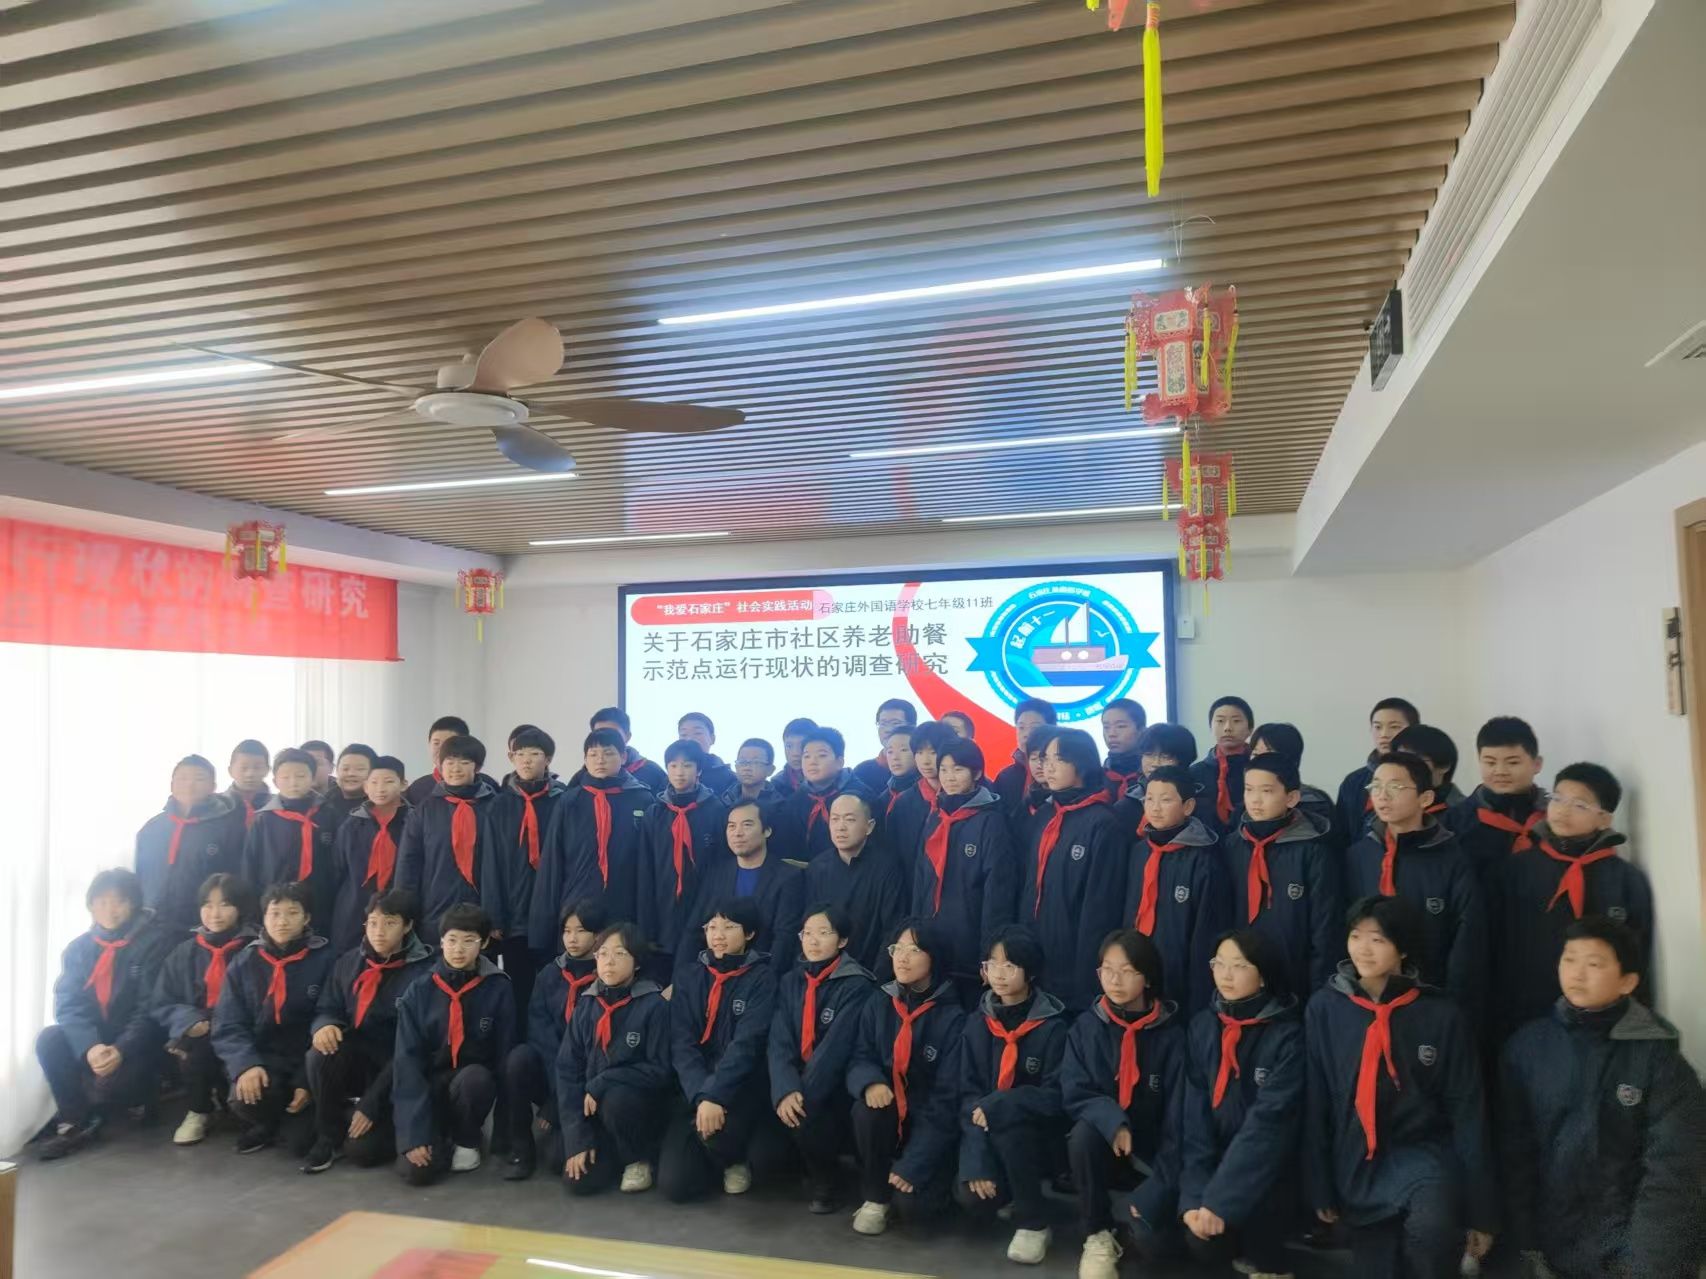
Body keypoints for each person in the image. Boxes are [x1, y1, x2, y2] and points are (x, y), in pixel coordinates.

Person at [1499, 916, 1705, 1279]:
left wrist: (1645, 1266)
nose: (1577, 973)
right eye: (1569, 959)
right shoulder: (1527, 1049)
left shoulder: (1660, 1060)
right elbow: (1516, 1156)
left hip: (1635, 1252)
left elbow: (1674, 1172)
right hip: (1552, 1248)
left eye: (1594, 964)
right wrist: (1527, 1246)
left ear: (1628, 981)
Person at [1305, 896, 1496, 1279]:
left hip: (1424, 1156)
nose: (1363, 948)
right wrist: (1319, 1185)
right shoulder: (1325, 1008)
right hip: (1356, 1164)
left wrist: (1482, 1212)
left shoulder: (1441, 1014)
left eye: (1378, 939)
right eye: (1356, 936)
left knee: (1432, 1234)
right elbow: (1317, 1103)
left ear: (1403, 947)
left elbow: (1467, 1112)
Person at [1488, 763, 1655, 1043]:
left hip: (1602, 1020)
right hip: (1524, 1010)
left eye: (1579, 805)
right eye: (1557, 799)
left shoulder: (1626, 879)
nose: (1562, 810)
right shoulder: (1515, 870)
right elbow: (1494, 942)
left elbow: (1639, 956)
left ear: (1604, 819)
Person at [1178, 929, 1305, 1279]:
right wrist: (1196, 1197)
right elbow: (1194, 1120)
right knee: (1190, 1240)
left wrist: (1219, 1199)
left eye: (1239, 965)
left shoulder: (1288, 1035)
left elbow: (1269, 1126)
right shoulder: (1203, 1026)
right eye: (1219, 964)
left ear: (1263, 975)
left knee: (1262, 1218)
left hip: (1269, 1166)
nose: (1226, 975)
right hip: (1217, 1160)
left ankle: (1267, 1260)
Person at [1062, 928, 1187, 1278]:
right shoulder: (1086, 1027)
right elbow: (1074, 1090)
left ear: (1148, 977)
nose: (1115, 981)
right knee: (1084, 1134)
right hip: (1105, 1145)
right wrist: (1112, 1121)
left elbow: (1180, 1117)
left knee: (1155, 1248)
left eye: (1127, 971)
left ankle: (1141, 1219)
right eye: (1107, 970)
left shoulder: (1173, 1036)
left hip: (1155, 1152)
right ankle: (1097, 1234)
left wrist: (1159, 1188)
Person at [33, 868, 174, 1160]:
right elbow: (68, 1003)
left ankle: (142, 1097)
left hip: (136, 1040)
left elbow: (150, 1007)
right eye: (102, 902)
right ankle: (76, 1119)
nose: (110, 910)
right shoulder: (79, 948)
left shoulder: (154, 943)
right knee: (49, 1039)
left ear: (133, 904)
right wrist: (90, 1046)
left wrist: (120, 1050)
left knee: (115, 1088)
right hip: (97, 1038)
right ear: (90, 905)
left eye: (119, 901)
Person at [954, 926, 1071, 1266]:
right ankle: (1009, 1191)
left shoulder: (1054, 1027)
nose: (999, 974)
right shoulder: (977, 1024)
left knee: (1009, 1122)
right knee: (972, 1199)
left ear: (1030, 972)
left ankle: (1033, 1223)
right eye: (992, 964)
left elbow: (1057, 1097)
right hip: (983, 1135)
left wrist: (1005, 1102)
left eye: (1010, 966)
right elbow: (966, 1095)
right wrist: (977, 1162)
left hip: (1039, 1138)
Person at [1344, 752, 1487, 1024]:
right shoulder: (1359, 855)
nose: (1382, 796)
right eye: (1376, 786)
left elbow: (1467, 939)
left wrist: (1454, 1003)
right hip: (1367, 997)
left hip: (1431, 997)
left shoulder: (1452, 859)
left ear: (1425, 798)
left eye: (1395, 787)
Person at [846, 918, 966, 1235]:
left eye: (913, 950)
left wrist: (916, 1162)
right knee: (866, 1109)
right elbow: (860, 1055)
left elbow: (947, 1100)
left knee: (914, 1212)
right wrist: (870, 1081)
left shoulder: (953, 1017)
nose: (902, 958)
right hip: (889, 1118)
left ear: (934, 957)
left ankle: (933, 1179)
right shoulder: (879, 1002)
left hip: (929, 1127)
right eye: (897, 949)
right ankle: (874, 1196)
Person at [302, 888, 433, 1173]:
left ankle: (383, 1121)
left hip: (400, 1067)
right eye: (372, 922)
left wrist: (372, 1103)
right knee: (319, 1053)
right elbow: (328, 1006)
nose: (378, 931)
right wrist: (325, 1025)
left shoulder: (425, 973)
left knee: (362, 1152)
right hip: (359, 1058)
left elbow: (415, 1048)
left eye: (389, 923)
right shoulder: (350, 962)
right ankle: (328, 1136)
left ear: (408, 926)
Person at [658, 898, 778, 1202]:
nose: (718, 935)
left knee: (760, 1156)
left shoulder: (763, 978)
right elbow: (681, 1043)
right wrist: (702, 1095)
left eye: (729, 927)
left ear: (749, 933)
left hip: (741, 1088)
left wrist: (716, 1094)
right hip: (694, 1088)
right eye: (711, 927)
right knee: (675, 1187)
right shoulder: (688, 976)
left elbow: (746, 1045)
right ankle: (715, 1158)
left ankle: (734, 1157)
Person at [766, 903, 877, 1213]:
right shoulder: (791, 981)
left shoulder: (857, 984)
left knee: (808, 1114)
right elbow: (779, 1041)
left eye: (824, 933)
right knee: (767, 1155)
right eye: (807, 933)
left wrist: (801, 1095)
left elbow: (835, 1051)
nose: (813, 941)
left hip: (836, 1085)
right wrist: (785, 1089)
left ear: (842, 940)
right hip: (797, 1080)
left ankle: (827, 1181)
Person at [212, 880, 336, 1155]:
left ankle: (297, 1116)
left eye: (292, 913)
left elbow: (329, 1012)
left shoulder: (326, 960)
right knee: (243, 1099)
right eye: (274, 913)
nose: (282, 921)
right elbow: (228, 1023)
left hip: (306, 1059)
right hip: (263, 1057)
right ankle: (268, 1123)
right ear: (264, 917)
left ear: (307, 918)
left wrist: (306, 1081)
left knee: (298, 1145)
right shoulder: (244, 962)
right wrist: (246, 1065)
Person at [393, 903, 512, 1182]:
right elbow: (407, 1062)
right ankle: (434, 1135)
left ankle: (467, 1138)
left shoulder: (498, 987)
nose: (459, 949)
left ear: (484, 943)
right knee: (417, 1173)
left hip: (471, 1088)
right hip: (428, 1091)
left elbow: (505, 1056)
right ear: (441, 941)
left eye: (469, 941)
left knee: (476, 1078)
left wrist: (504, 1135)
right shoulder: (420, 989)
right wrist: (415, 1135)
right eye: (452, 940)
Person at [557, 920, 673, 1196]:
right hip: (595, 1113)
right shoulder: (587, 1004)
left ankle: (638, 1159)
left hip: (637, 1109)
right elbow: (567, 1070)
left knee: (618, 1099)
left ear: (637, 962)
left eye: (620, 954)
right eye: (603, 954)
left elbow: (661, 1071)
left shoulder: (653, 1005)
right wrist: (577, 1138)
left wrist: (604, 1081)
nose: (609, 962)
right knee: (573, 1178)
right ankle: (609, 1152)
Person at [1020, 726, 1127, 1012]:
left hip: (1075, 960)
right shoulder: (1044, 814)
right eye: (1045, 759)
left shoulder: (1103, 822)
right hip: (1035, 952)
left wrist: (1087, 972)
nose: (1048, 767)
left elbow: (1101, 906)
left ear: (1081, 763)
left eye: (1059, 759)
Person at [501, 898, 606, 1181]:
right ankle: (521, 1148)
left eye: (581, 931)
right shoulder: (549, 975)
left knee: (557, 1161)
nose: (572, 938)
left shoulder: (607, 975)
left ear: (598, 935)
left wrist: (560, 1101)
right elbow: (541, 1035)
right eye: (567, 931)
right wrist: (555, 1096)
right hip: (552, 1075)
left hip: (589, 1083)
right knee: (519, 1059)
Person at [1223, 753, 1342, 998]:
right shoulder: (1233, 845)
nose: (1255, 800)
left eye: (1266, 791)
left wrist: (1319, 992)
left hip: (1294, 974)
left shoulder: (1313, 850)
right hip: (1239, 975)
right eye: (1248, 789)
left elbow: (1324, 928)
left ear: (1291, 797)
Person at [152, 873, 258, 1147]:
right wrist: (188, 1021)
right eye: (208, 905)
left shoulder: (256, 949)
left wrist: (223, 1023)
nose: (215, 913)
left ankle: (231, 1102)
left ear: (241, 907)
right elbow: (162, 1000)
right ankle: (198, 1110)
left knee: (247, 1109)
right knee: (193, 1043)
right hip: (200, 1030)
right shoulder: (184, 951)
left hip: (243, 1029)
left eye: (225, 904)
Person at [1119, 765, 1232, 1019]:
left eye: (1166, 800)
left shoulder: (1204, 860)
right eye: (1149, 799)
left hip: (1179, 976)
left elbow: (1205, 934)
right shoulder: (1138, 852)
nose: (1155, 808)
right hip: (1135, 972)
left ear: (1188, 806)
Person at [912, 737, 1018, 1004]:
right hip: (932, 941)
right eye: (944, 769)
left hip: (969, 945)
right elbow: (921, 879)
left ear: (977, 773)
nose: (949, 777)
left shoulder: (991, 821)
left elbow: (998, 892)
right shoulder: (935, 816)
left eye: (958, 769)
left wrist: (989, 952)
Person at [531, 728, 654, 939]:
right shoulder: (570, 801)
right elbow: (553, 861)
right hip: (577, 903)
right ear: (585, 760)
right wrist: (543, 923)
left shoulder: (642, 799)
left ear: (623, 757)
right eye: (593, 754)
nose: (600, 760)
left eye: (608, 753)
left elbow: (649, 862)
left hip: (626, 902)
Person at [394, 733, 508, 947]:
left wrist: (496, 916)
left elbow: (505, 866)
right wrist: (404, 914)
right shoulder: (424, 810)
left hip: (482, 912)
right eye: (449, 762)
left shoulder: (495, 807)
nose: (456, 768)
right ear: (440, 765)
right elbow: (408, 865)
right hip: (434, 910)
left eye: (464, 762)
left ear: (477, 767)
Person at [636, 740, 729, 978]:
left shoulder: (716, 810)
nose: (679, 772)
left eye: (687, 765)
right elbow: (646, 868)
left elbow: (723, 865)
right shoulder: (655, 812)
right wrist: (646, 922)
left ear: (699, 770)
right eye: (673, 765)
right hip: (661, 907)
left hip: (703, 906)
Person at [492, 727, 567, 1018]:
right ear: (511, 758)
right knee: (518, 989)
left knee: (554, 988)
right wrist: (495, 916)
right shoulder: (499, 804)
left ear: (547, 760)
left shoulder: (563, 801)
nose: (526, 760)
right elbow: (490, 863)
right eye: (520, 754)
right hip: (514, 916)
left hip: (553, 914)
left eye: (535, 754)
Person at [683, 798, 807, 963]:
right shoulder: (716, 873)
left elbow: (785, 938)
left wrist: (767, 976)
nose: (737, 833)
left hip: (763, 969)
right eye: (731, 826)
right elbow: (694, 930)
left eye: (747, 825)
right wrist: (682, 974)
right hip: (716, 968)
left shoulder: (788, 877)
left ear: (767, 830)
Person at [135, 753, 246, 934]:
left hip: (205, 926)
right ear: (172, 784)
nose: (190, 785)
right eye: (183, 778)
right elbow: (139, 876)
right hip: (151, 925)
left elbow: (237, 880)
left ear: (213, 786)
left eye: (199, 779)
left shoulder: (229, 828)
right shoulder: (152, 828)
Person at [802, 792, 908, 980]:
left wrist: (877, 979)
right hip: (824, 973)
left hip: (870, 973)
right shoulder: (817, 868)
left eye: (849, 820)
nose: (840, 827)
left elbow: (892, 929)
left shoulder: (887, 868)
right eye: (835, 819)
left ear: (869, 826)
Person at [241, 747, 342, 942]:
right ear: (275, 781)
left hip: (320, 901)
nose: (293, 782)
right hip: (276, 904)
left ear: (312, 778)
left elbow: (339, 862)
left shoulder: (329, 814)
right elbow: (250, 864)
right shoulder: (264, 819)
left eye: (300, 776)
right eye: (285, 777)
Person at [328, 754, 410, 953]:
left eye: (388, 781)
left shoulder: (414, 822)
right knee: (349, 957)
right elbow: (337, 869)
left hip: (398, 906)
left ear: (403, 784)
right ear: (365, 786)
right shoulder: (352, 824)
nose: (380, 788)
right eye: (374, 782)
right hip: (354, 905)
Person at [1459, 716, 1548, 880]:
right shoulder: (1457, 821)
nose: (1500, 771)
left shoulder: (1554, 818)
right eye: (1490, 763)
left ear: (1537, 764)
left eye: (1512, 763)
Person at [772, 726, 873, 862]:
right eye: (806, 756)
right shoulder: (796, 800)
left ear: (839, 762)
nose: (812, 762)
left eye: (822, 755)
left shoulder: (860, 796)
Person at [1336, 698, 1420, 847]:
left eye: (1394, 727)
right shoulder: (1354, 781)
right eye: (1377, 727)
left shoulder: (1423, 778)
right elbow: (1341, 837)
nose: (1384, 734)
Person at [1248, 720, 1345, 847]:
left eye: (1269, 755)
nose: (1260, 762)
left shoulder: (1315, 803)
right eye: (1255, 754)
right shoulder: (1247, 803)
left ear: (1292, 759)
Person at [883, 722, 947, 866]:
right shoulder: (903, 803)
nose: (925, 761)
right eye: (919, 752)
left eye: (933, 752)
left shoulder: (962, 796)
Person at [1189, 696, 1254, 833]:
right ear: (1210, 727)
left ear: (1250, 729)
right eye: (1220, 721)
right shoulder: (1194, 773)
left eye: (1236, 721)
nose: (1227, 728)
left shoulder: (1259, 770)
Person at [1390, 724, 1468, 826]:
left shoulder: (1464, 816)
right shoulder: (1385, 805)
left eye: (1415, 760)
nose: (1405, 767)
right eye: (1399, 760)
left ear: (1444, 766)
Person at [992, 698, 1058, 816]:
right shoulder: (1005, 778)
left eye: (1034, 728)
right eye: (1021, 728)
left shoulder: (1062, 773)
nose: (1026, 734)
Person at [589, 706, 668, 794]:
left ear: (627, 736)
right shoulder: (585, 775)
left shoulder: (653, 773)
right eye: (599, 734)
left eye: (613, 735)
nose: (605, 740)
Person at [404, 715, 473, 806]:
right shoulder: (417, 789)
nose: (441, 749)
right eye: (436, 743)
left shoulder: (485, 787)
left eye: (448, 743)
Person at [853, 697, 918, 793]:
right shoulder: (863, 771)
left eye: (895, 723)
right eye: (882, 724)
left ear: (912, 726)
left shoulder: (925, 769)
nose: (887, 730)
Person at [725, 736, 785, 828]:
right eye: (742, 762)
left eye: (756, 762)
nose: (747, 768)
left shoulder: (780, 807)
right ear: (736, 767)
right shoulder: (725, 802)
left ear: (770, 770)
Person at [1100, 697, 1149, 801]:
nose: (1111, 734)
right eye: (1106, 727)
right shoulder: (1096, 777)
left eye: (1121, 726)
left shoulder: (1152, 776)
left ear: (1141, 730)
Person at [677, 712, 738, 794]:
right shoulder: (671, 778)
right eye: (683, 735)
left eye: (697, 733)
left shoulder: (730, 779)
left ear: (712, 739)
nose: (690, 739)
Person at [320, 743, 378, 828]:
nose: (351, 773)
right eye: (345, 769)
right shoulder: (322, 805)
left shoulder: (383, 807)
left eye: (360, 769)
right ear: (337, 771)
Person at [225, 738, 272, 830]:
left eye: (257, 768)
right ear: (230, 771)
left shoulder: (277, 807)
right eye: (244, 768)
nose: (250, 774)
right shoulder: (218, 807)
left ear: (267, 770)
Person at [773, 716, 819, 798]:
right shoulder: (776, 784)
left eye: (802, 746)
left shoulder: (835, 779)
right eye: (789, 746)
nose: (795, 753)